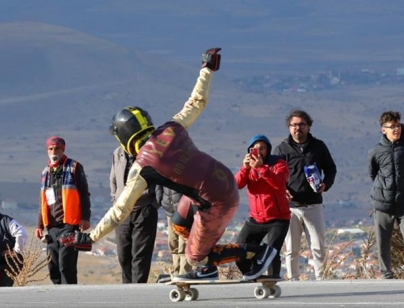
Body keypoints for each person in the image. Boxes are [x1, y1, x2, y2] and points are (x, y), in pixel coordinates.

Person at [59, 48, 278, 282]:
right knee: (178, 224)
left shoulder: (142, 167)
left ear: (123, 138)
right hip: (221, 178)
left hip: (217, 201)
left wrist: (91, 237)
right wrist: (207, 69)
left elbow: (119, 212)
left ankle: (252, 253)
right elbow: (197, 102)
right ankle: (208, 259)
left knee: (194, 256)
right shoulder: (171, 127)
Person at [273, 109, 338, 281]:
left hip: (313, 205)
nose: (298, 128)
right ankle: (293, 280)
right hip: (290, 208)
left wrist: (326, 184)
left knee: (317, 246)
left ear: (309, 127)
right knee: (291, 249)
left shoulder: (319, 147)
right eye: (294, 125)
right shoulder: (281, 149)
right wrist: (281, 189)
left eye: (302, 124)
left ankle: (321, 279)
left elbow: (331, 168)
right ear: (289, 127)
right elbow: (273, 175)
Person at [368, 111, 404, 279]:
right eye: (392, 127)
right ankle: (386, 274)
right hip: (383, 203)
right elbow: (373, 174)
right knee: (383, 241)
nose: (396, 129)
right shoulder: (376, 151)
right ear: (383, 130)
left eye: (398, 125)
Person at [35, 136, 92, 284]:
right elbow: (43, 201)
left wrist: (85, 217)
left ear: (63, 150)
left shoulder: (74, 167)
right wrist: (40, 224)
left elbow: (84, 194)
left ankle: (70, 300)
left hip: (69, 224)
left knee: (66, 265)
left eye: (57, 148)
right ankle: (58, 299)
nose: (54, 151)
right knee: (53, 266)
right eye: (50, 149)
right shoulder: (45, 172)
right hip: (51, 227)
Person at [235, 134, 290, 280]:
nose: (259, 151)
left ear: (268, 150)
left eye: (263, 148)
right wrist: (245, 169)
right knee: (239, 249)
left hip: (278, 218)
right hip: (256, 219)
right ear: (249, 150)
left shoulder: (279, 164)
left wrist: (261, 168)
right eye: (255, 148)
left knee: (271, 253)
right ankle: (251, 275)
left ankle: (272, 281)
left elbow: (279, 184)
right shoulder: (249, 168)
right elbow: (236, 185)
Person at [110, 146, 161, 283]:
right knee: (123, 255)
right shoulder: (117, 153)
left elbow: (161, 178)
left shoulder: (150, 151)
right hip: (122, 210)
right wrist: (115, 201)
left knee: (140, 256)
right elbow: (113, 179)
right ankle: (127, 290)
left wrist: (154, 205)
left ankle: (138, 292)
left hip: (144, 208)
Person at [0, 194, 28, 287]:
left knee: (3, 287)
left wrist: (16, 251)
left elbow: (22, 233)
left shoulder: (6, 221)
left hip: (8, 262)